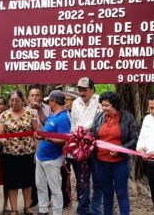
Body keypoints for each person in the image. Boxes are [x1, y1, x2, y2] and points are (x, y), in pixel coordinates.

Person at [91, 92, 138, 215]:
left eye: (107, 105)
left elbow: (134, 139)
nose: (104, 108)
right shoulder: (99, 117)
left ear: (115, 105)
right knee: (107, 193)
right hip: (101, 162)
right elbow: (92, 135)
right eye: (102, 105)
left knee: (121, 194)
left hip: (120, 163)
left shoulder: (127, 117)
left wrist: (120, 149)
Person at [0, 90, 39, 215]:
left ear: (22, 100)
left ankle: (27, 208)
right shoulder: (4, 115)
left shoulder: (31, 114)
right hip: (10, 154)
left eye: (17, 100)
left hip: (28, 153)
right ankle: (14, 209)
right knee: (12, 183)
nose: (14, 102)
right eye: (12, 100)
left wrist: (37, 152)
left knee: (27, 182)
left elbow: (36, 133)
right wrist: (2, 139)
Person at [34, 90, 71, 215]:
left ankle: (57, 212)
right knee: (40, 185)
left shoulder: (63, 118)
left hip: (52, 159)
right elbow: (45, 122)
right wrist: (39, 109)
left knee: (54, 188)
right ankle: (43, 210)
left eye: (49, 101)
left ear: (53, 102)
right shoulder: (53, 114)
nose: (48, 103)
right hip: (41, 157)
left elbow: (64, 140)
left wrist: (45, 138)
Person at [71, 77, 103, 215]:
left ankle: (96, 209)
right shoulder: (76, 102)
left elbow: (99, 123)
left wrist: (84, 133)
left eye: (84, 90)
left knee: (98, 179)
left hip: (95, 145)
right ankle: (83, 208)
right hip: (80, 145)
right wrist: (76, 138)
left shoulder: (100, 101)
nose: (82, 93)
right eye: (80, 90)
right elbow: (74, 123)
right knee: (82, 179)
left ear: (92, 90)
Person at [61, 90, 80, 208]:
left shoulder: (80, 114)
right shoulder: (62, 114)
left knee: (80, 176)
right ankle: (66, 200)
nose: (67, 103)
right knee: (64, 176)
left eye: (70, 100)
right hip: (64, 151)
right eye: (65, 100)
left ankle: (81, 199)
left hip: (78, 151)